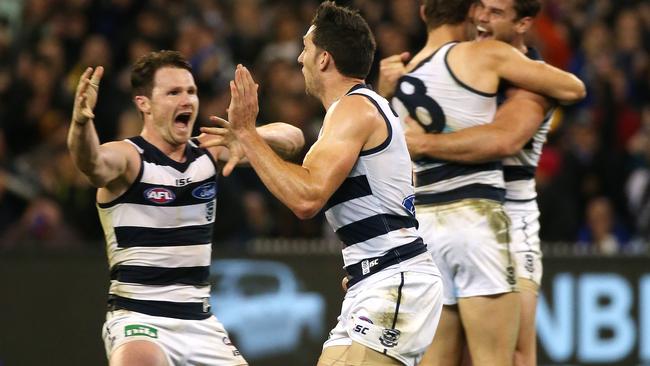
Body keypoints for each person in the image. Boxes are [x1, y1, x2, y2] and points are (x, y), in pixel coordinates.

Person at [201, 2, 443, 365]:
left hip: (393, 278)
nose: (300, 58)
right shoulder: (352, 110)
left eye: (306, 48)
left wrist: (249, 135)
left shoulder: (354, 109)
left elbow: (307, 198)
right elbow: (297, 146)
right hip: (375, 281)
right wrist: (250, 139)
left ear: (324, 59)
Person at [376, 0, 585, 365]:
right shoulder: (458, 64)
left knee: (517, 354)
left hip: (510, 220)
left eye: (496, 13)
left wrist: (421, 143)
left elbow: (502, 140)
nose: (484, 18)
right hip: (451, 214)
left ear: (523, 24)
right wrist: (388, 91)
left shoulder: (530, 81)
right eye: (482, 8)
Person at [67, 50, 304, 366]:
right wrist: (81, 123)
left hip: (201, 322)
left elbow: (294, 139)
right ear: (144, 104)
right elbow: (91, 162)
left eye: (191, 91)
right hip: (139, 319)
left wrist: (248, 135)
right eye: (173, 92)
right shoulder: (129, 158)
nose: (187, 100)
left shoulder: (207, 153)